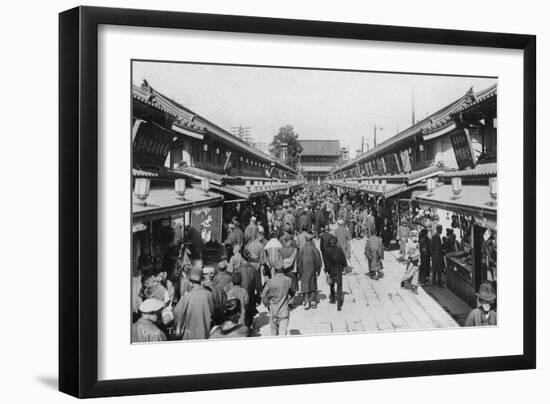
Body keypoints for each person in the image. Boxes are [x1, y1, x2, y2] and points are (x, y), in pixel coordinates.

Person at [173, 267, 214, 340]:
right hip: (206, 335)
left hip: (190, 336)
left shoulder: (187, 296)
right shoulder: (209, 294)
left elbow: (177, 314)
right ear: (201, 280)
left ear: (190, 282)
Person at [261, 262, 292, 336]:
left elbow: (263, 295)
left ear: (275, 270)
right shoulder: (288, 280)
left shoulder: (270, 281)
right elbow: (292, 293)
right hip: (284, 312)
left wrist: (267, 305)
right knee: (282, 335)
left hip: (273, 312)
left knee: (273, 335)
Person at [296, 233, 322, 310]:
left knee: (305, 284)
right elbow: (318, 260)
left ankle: (306, 301)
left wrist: (299, 270)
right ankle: (313, 301)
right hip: (312, 269)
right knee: (312, 283)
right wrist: (318, 270)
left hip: (304, 270)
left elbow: (299, 261)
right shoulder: (314, 249)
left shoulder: (301, 249)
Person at [324, 236, 347, 310]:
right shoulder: (339, 250)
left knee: (332, 284)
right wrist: (344, 266)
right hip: (338, 269)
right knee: (339, 286)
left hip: (331, 269)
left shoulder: (327, 251)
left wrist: (326, 270)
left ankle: (333, 299)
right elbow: (343, 259)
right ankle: (339, 304)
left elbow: (326, 262)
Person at [400, 229, 421, 294]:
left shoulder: (417, 242)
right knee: (409, 272)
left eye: (415, 235)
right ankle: (403, 281)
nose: (414, 236)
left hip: (416, 260)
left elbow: (419, 252)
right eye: (413, 235)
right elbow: (407, 250)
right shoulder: (409, 241)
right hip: (411, 260)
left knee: (416, 273)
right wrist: (410, 256)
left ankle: (414, 287)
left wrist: (419, 260)